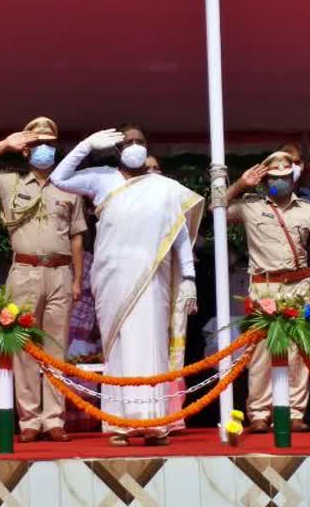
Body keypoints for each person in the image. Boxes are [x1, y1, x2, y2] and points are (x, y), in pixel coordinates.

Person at [50, 125, 204, 446]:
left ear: (147, 148)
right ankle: (119, 425)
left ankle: (155, 424)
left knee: (151, 343)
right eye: (128, 142)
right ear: (117, 149)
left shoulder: (164, 187)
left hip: (152, 277)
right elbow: (59, 178)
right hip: (112, 277)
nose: (134, 146)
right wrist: (85, 145)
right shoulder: (101, 177)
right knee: (118, 349)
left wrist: (188, 277)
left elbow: (179, 238)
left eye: (140, 142)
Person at [0, 116, 86, 443]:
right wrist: (6, 142)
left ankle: (54, 419)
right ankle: (30, 419)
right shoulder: (10, 183)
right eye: (36, 144)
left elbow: (77, 236)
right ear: (26, 150)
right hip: (25, 271)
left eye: (48, 143)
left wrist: (77, 280)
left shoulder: (69, 186)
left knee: (56, 347)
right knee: (25, 348)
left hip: (60, 272)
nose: (43, 149)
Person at [226, 151, 310, 433]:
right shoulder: (250, 206)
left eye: (285, 177)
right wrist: (240, 184)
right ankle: (259, 412)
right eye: (273, 177)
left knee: (299, 350)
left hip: (298, 284)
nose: (279, 181)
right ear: (265, 179)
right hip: (264, 286)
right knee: (261, 350)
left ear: (293, 178)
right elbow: (214, 211)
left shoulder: (308, 210)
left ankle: (295, 411)